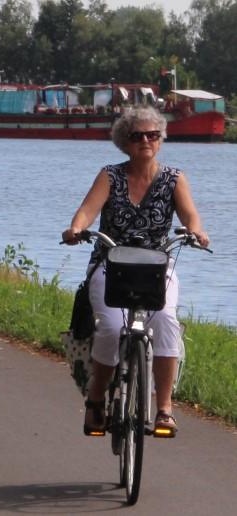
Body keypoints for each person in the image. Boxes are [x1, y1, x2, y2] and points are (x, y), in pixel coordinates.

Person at [62, 106, 209, 436]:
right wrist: (75, 229)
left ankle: (164, 409)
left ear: (160, 140)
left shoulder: (173, 179)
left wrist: (197, 232)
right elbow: (86, 211)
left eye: (152, 135)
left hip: (157, 266)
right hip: (111, 265)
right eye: (137, 136)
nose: (145, 140)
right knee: (112, 328)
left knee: (167, 320)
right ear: (124, 142)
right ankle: (97, 400)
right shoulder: (110, 176)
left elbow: (191, 217)